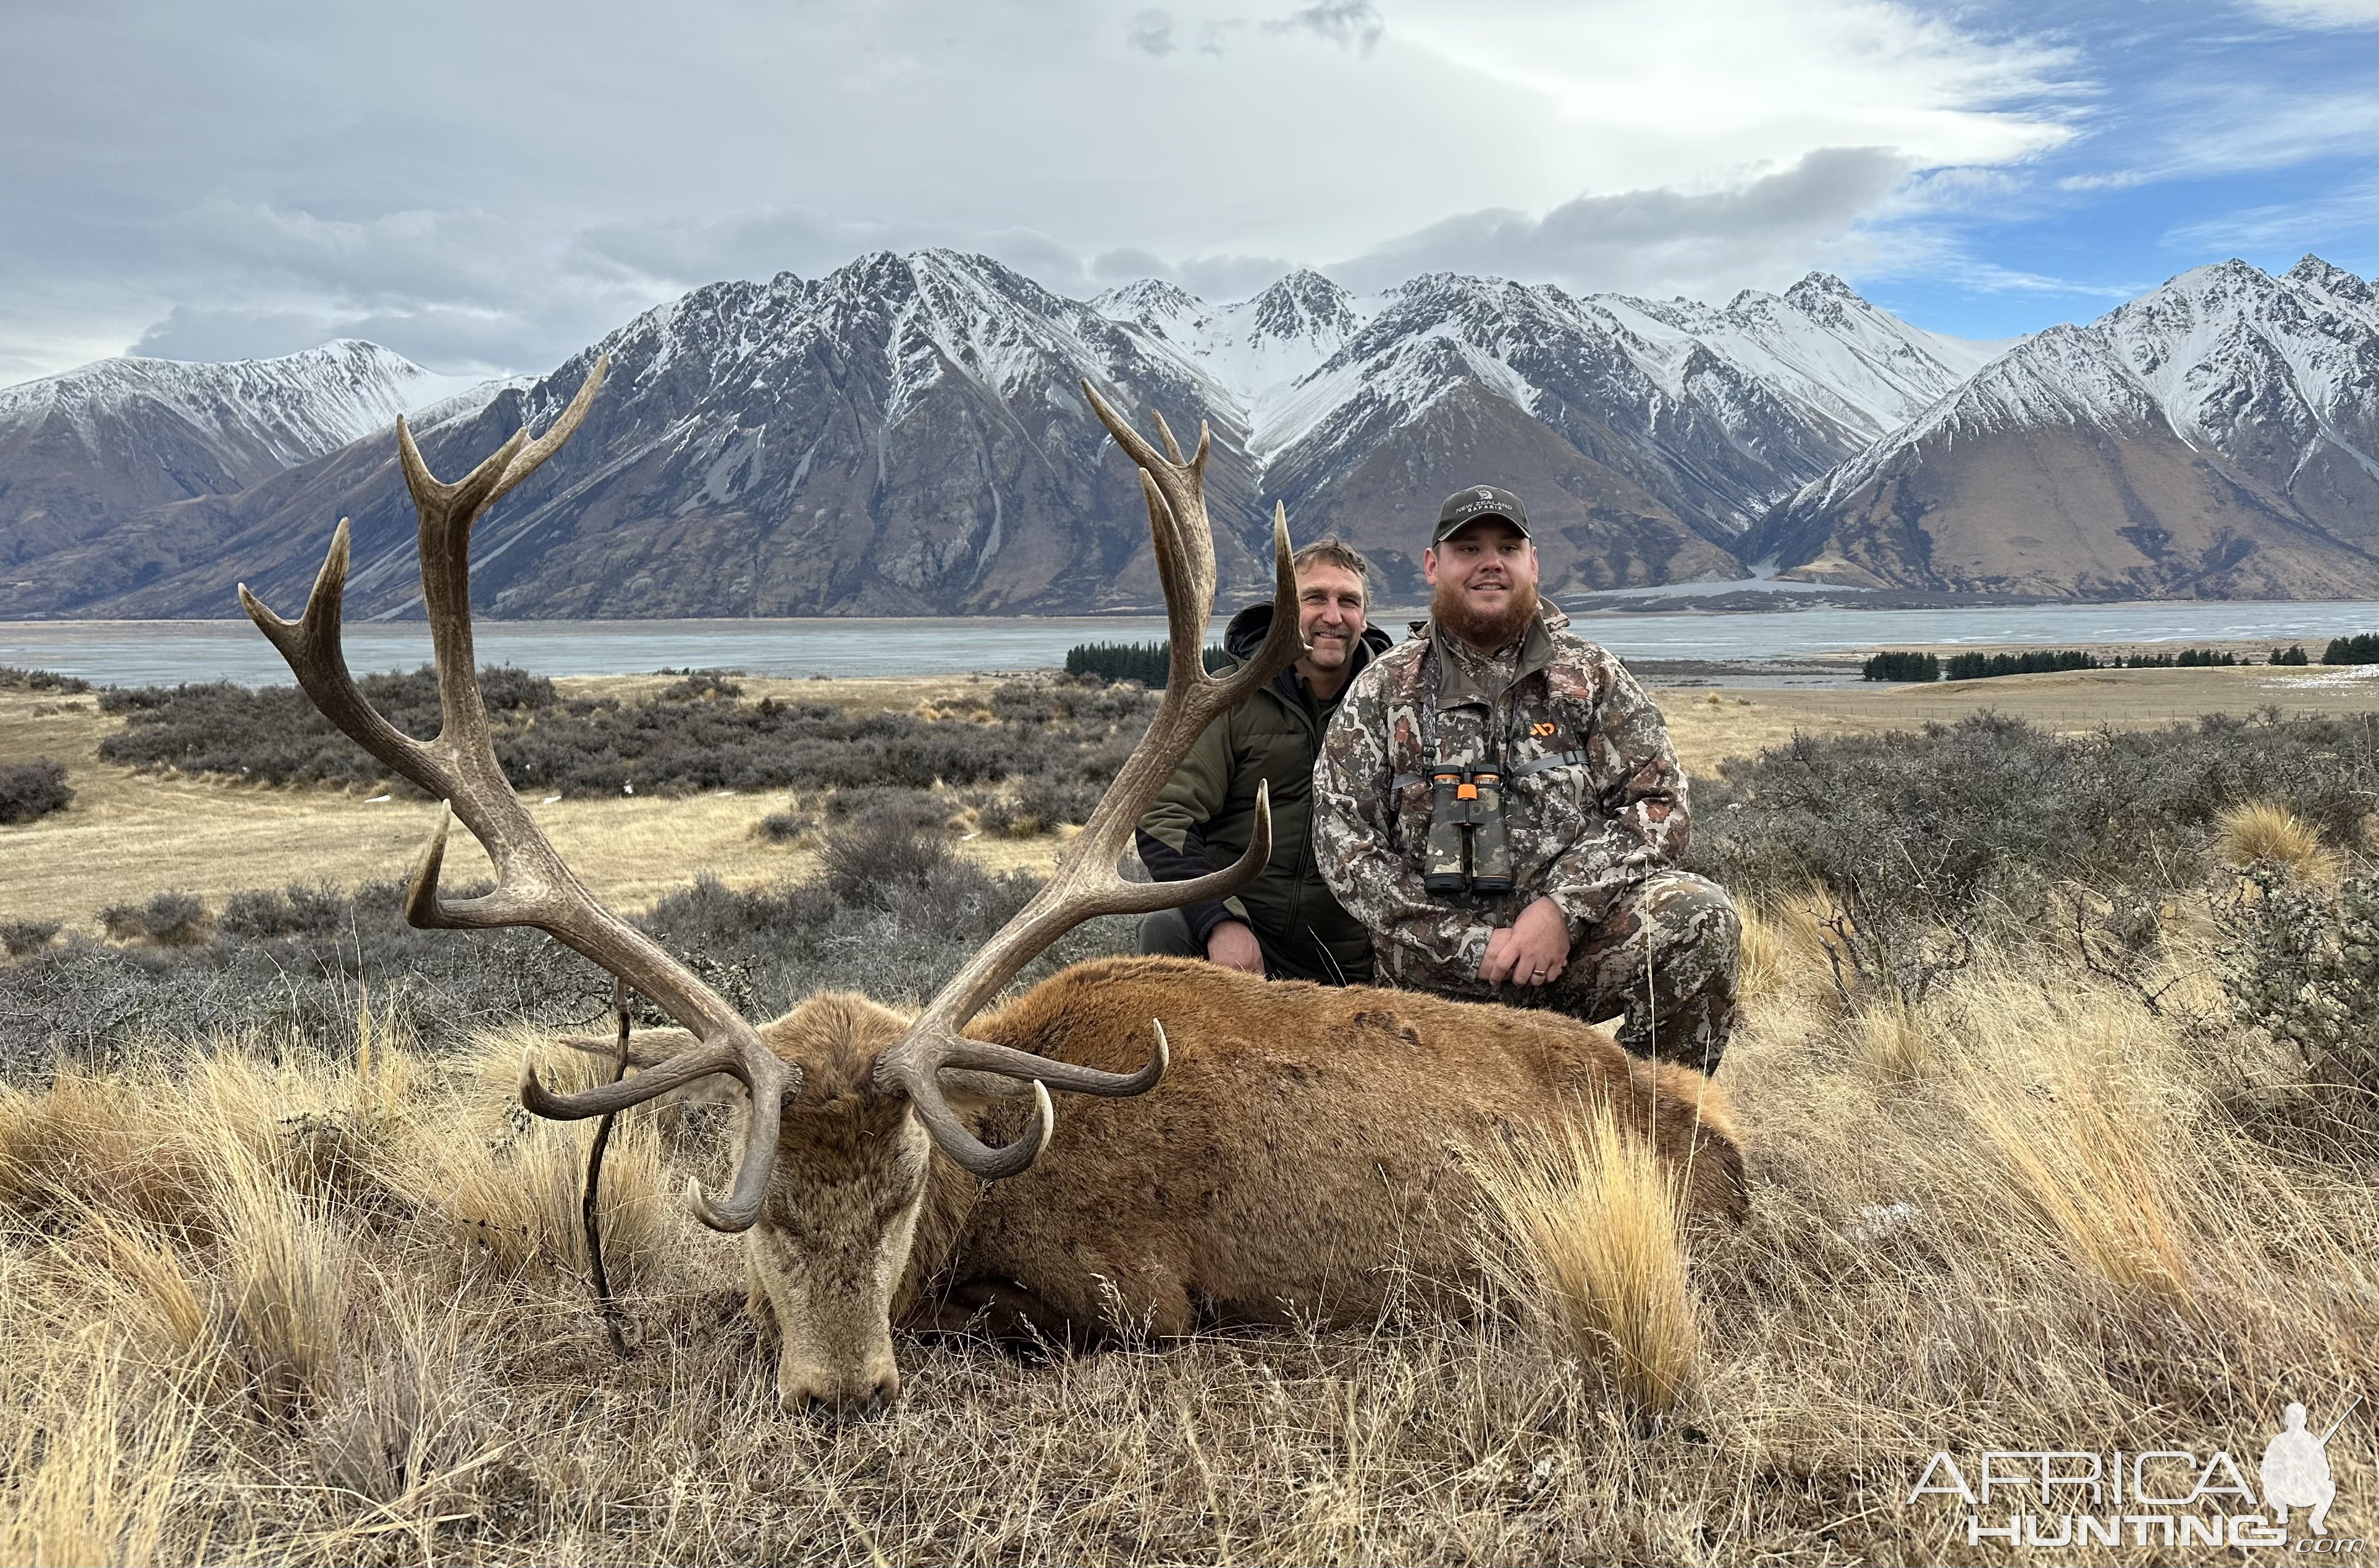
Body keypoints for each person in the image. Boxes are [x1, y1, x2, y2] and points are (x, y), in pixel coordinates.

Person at [1313, 484, 1741, 1072]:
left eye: (1507, 548)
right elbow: (1344, 845)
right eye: (1468, 549)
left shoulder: (1591, 677)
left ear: (1532, 564)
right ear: (1433, 566)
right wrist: (1466, 943)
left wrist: (1561, 910)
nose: (1490, 562)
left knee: (1700, 916)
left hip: (1565, 958)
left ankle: (1645, 1132)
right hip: (1429, 984)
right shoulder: (1381, 692)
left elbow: (1659, 802)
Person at [1135, 539, 1393, 983]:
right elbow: (1164, 819)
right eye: (1314, 598)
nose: (1332, 616)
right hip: (1246, 941)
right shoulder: (1226, 697)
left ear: (1364, 616)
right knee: (1167, 929)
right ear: (1283, 608)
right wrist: (1219, 920)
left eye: (1347, 601)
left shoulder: (1395, 704)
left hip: (1354, 957)